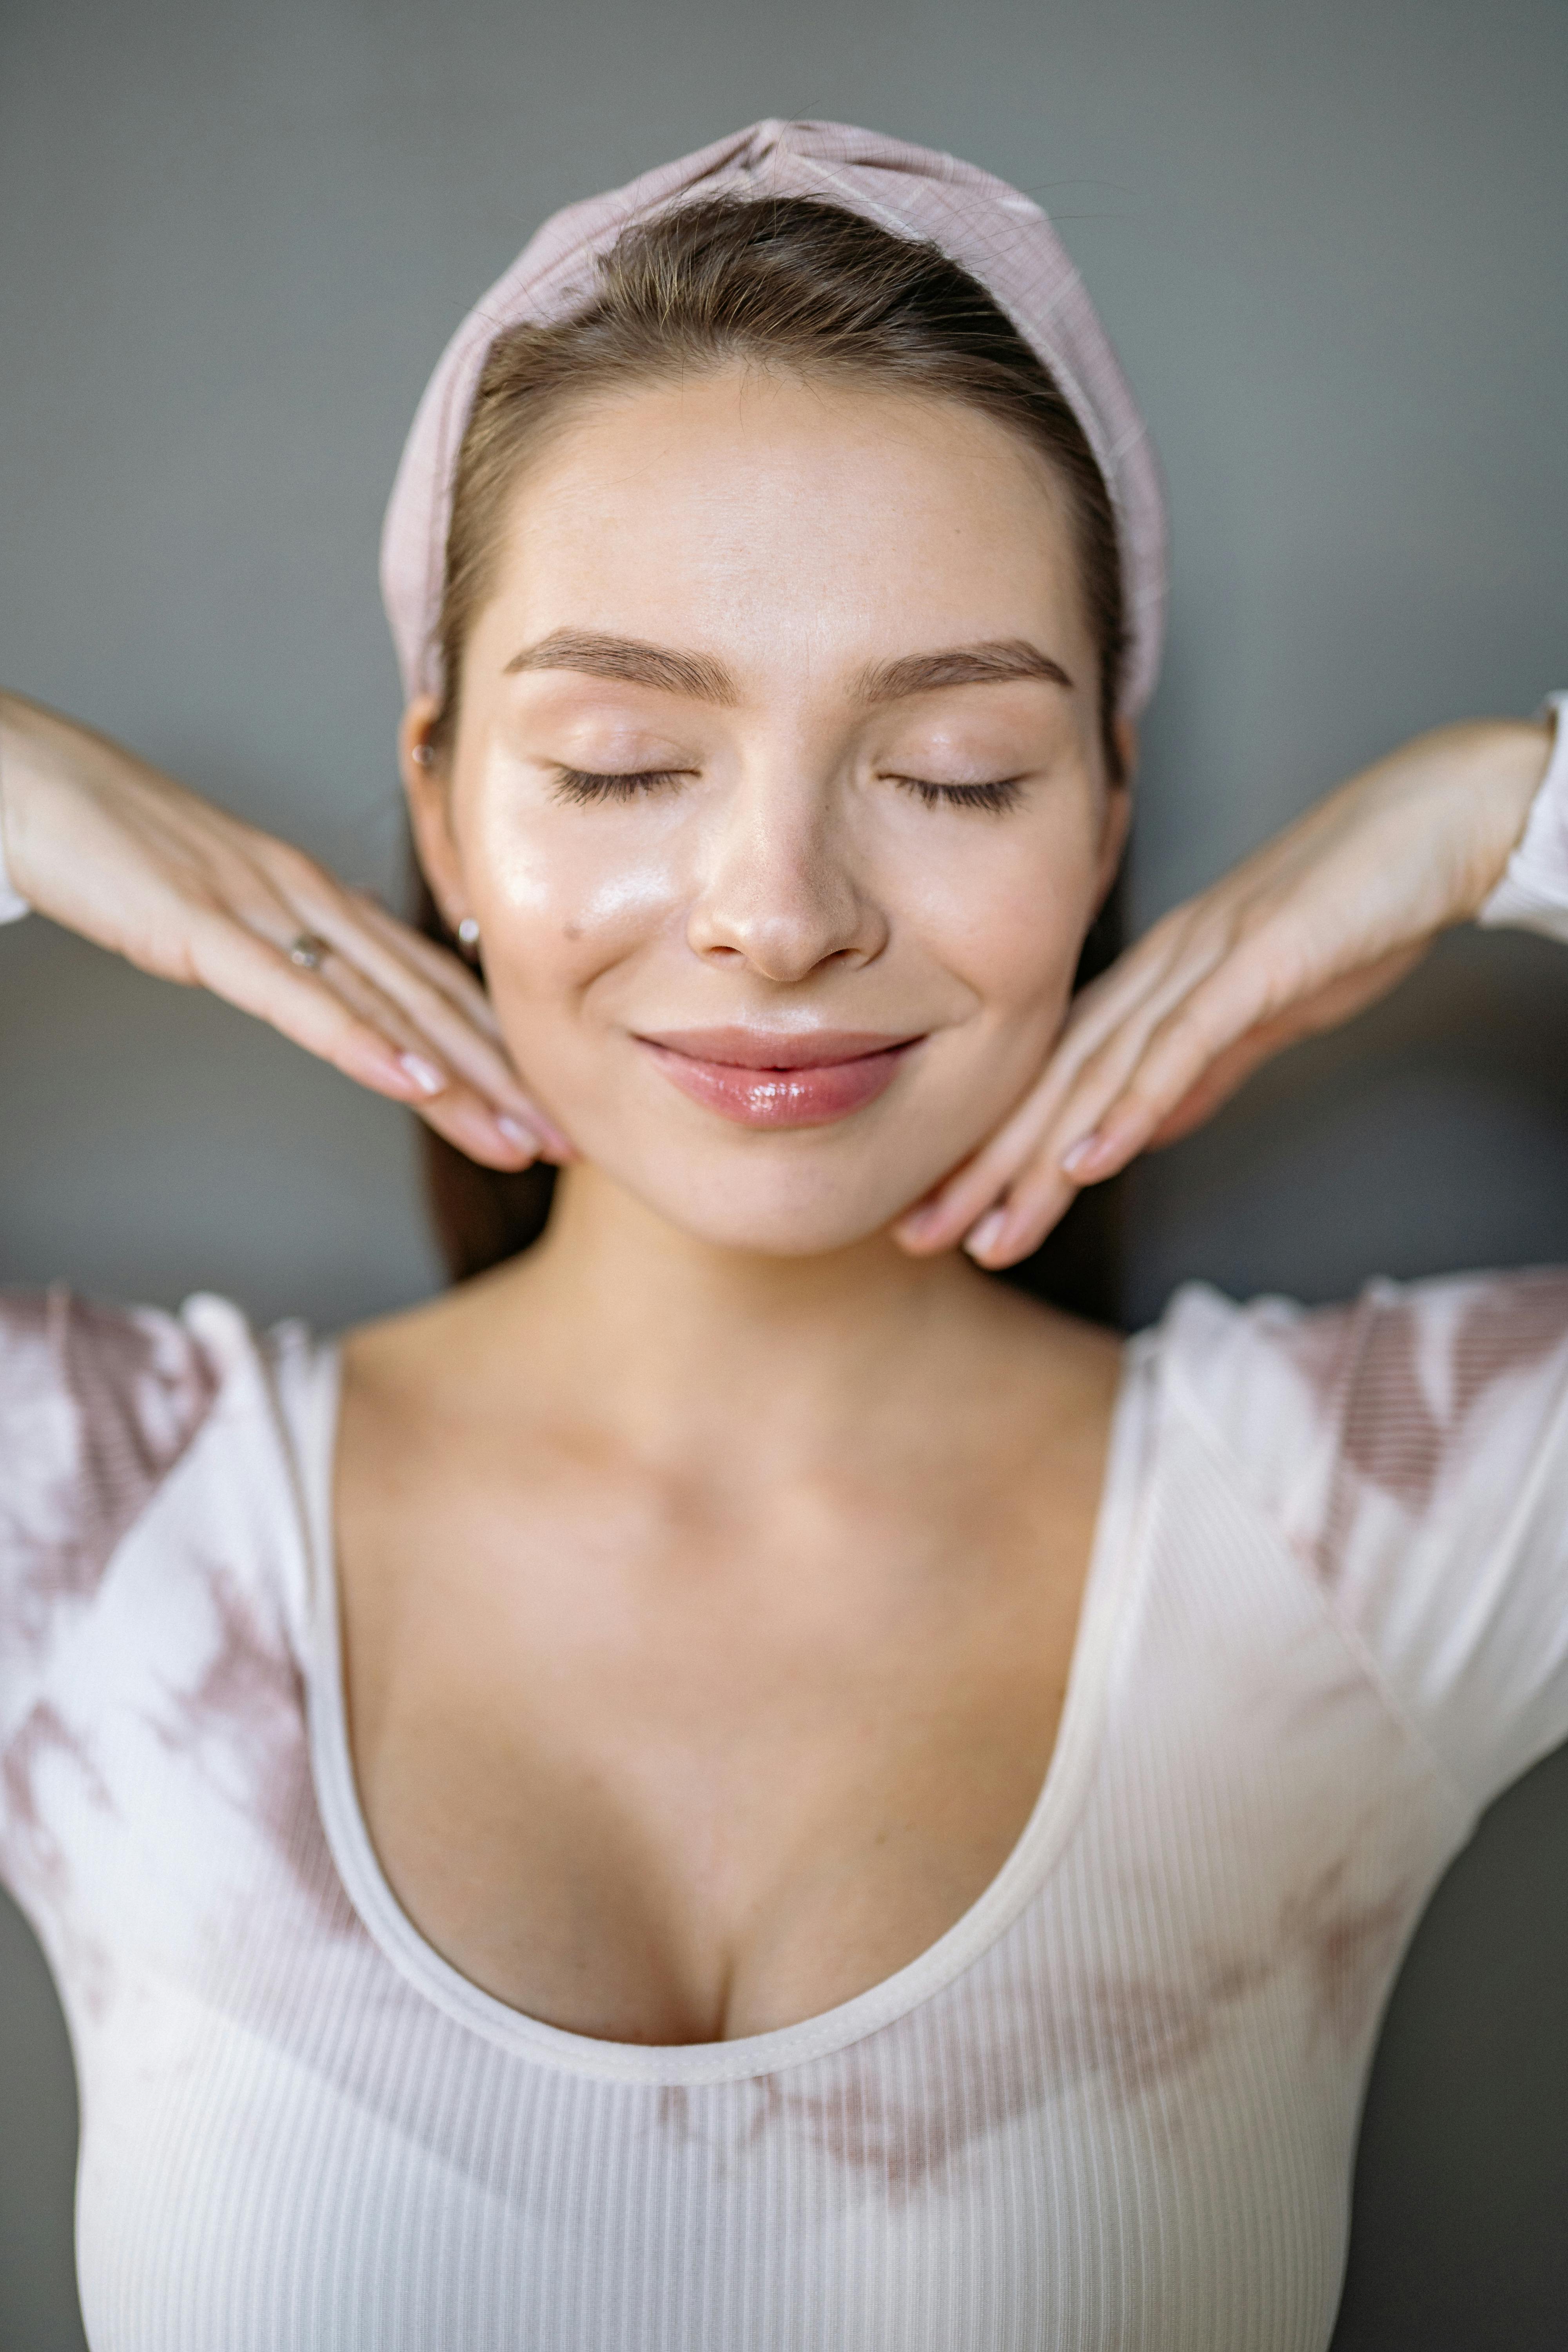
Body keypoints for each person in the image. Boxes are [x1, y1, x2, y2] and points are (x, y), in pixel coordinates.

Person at [0, 119, 1562, 2352]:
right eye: (622, 761)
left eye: (957, 773)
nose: (782, 914)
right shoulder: (100, 1520)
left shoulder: (1367, 1527)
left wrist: (1495, 811)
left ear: (1107, 812)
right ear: (441, 799)